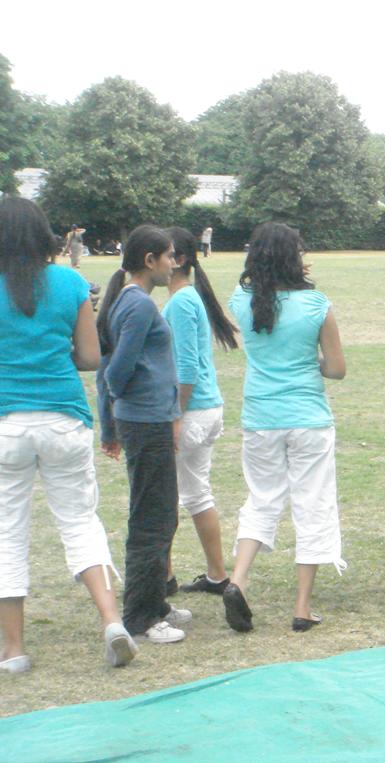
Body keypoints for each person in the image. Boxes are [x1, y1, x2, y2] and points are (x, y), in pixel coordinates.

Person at [0, 198, 136, 672]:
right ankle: (112, 621)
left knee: (7, 533)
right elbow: (91, 358)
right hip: (64, 417)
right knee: (79, 521)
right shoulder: (70, 282)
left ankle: (14, 650)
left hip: (3, 421)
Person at [225, 222, 346, 633]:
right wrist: (309, 364)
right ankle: (302, 606)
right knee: (312, 504)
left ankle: (238, 580)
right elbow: (337, 368)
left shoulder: (241, 300)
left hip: (261, 416)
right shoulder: (316, 305)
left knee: (260, 501)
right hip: (308, 416)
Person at [96, 225, 189, 644]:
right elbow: (114, 372)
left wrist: (112, 423)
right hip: (145, 423)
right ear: (149, 260)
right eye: (169, 256)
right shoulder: (138, 307)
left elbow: (107, 370)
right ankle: (141, 617)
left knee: (160, 514)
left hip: (146, 420)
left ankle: (156, 604)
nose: (175, 263)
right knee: (153, 518)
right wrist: (122, 414)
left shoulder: (131, 302)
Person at [162, 227, 238, 597]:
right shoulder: (190, 297)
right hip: (207, 408)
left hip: (191, 411)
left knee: (169, 496)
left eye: (164, 252)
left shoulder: (180, 301)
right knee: (195, 493)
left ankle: (164, 576)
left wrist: (175, 415)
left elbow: (186, 368)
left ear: (179, 260)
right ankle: (216, 574)